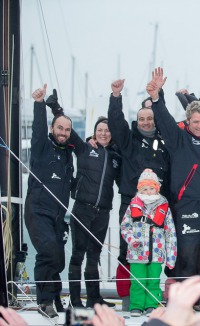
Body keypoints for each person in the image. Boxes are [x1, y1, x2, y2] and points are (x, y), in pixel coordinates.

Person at [147, 68, 200, 283]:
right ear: (188, 121)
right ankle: (183, 299)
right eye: (195, 122)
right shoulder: (177, 137)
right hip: (187, 204)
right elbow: (164, 119)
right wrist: (156, 97)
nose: (199, 126)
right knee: (187, 253)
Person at [107, 79, 171, 303]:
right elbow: (115, 123)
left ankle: (151, 298)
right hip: (131, 203)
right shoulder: (128, 141)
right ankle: (128, 297)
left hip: (159, 207)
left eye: (149, 118)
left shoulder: (165, 142)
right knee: (129, 250)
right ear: (137, 121)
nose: (145, 122)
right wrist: (116, 97)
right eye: (142, 119)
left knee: (154, 253)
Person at [24, 85, 79, 318]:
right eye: (60, 128)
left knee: (58, 256)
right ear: (52, 128)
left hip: (58, 214)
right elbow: (37, 130)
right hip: (38, 210)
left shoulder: (67, 152)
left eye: (67, 130)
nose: (63, 133)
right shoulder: (41, 147)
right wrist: (39, 104)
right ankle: (44, 301)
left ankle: (56, 296)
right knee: (47, 251)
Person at [67, 116, 121, 308]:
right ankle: (74, 299)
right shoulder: (85, 148)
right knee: (77, 255)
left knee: (94, 255)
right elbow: (70, 133)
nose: (103, 133)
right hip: (83, 209)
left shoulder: (116, 156)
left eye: (107, 130)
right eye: (100, 130)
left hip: (103, 212)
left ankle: (94, 298)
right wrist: (56, 109)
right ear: (94, 132)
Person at [121, 168, 177, 317]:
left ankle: (152, 304)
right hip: (136, 253)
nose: (148, 191)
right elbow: (125, 226)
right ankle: (136, 306)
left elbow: (170, 232)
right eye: (144, 189)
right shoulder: (133, 206)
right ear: (139, 189)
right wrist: (132, 240)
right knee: (137, 281)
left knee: (153, 280)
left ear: (157, 188)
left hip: (157, 253)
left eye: (151, 188)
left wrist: (171, 257)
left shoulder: (164, 207)